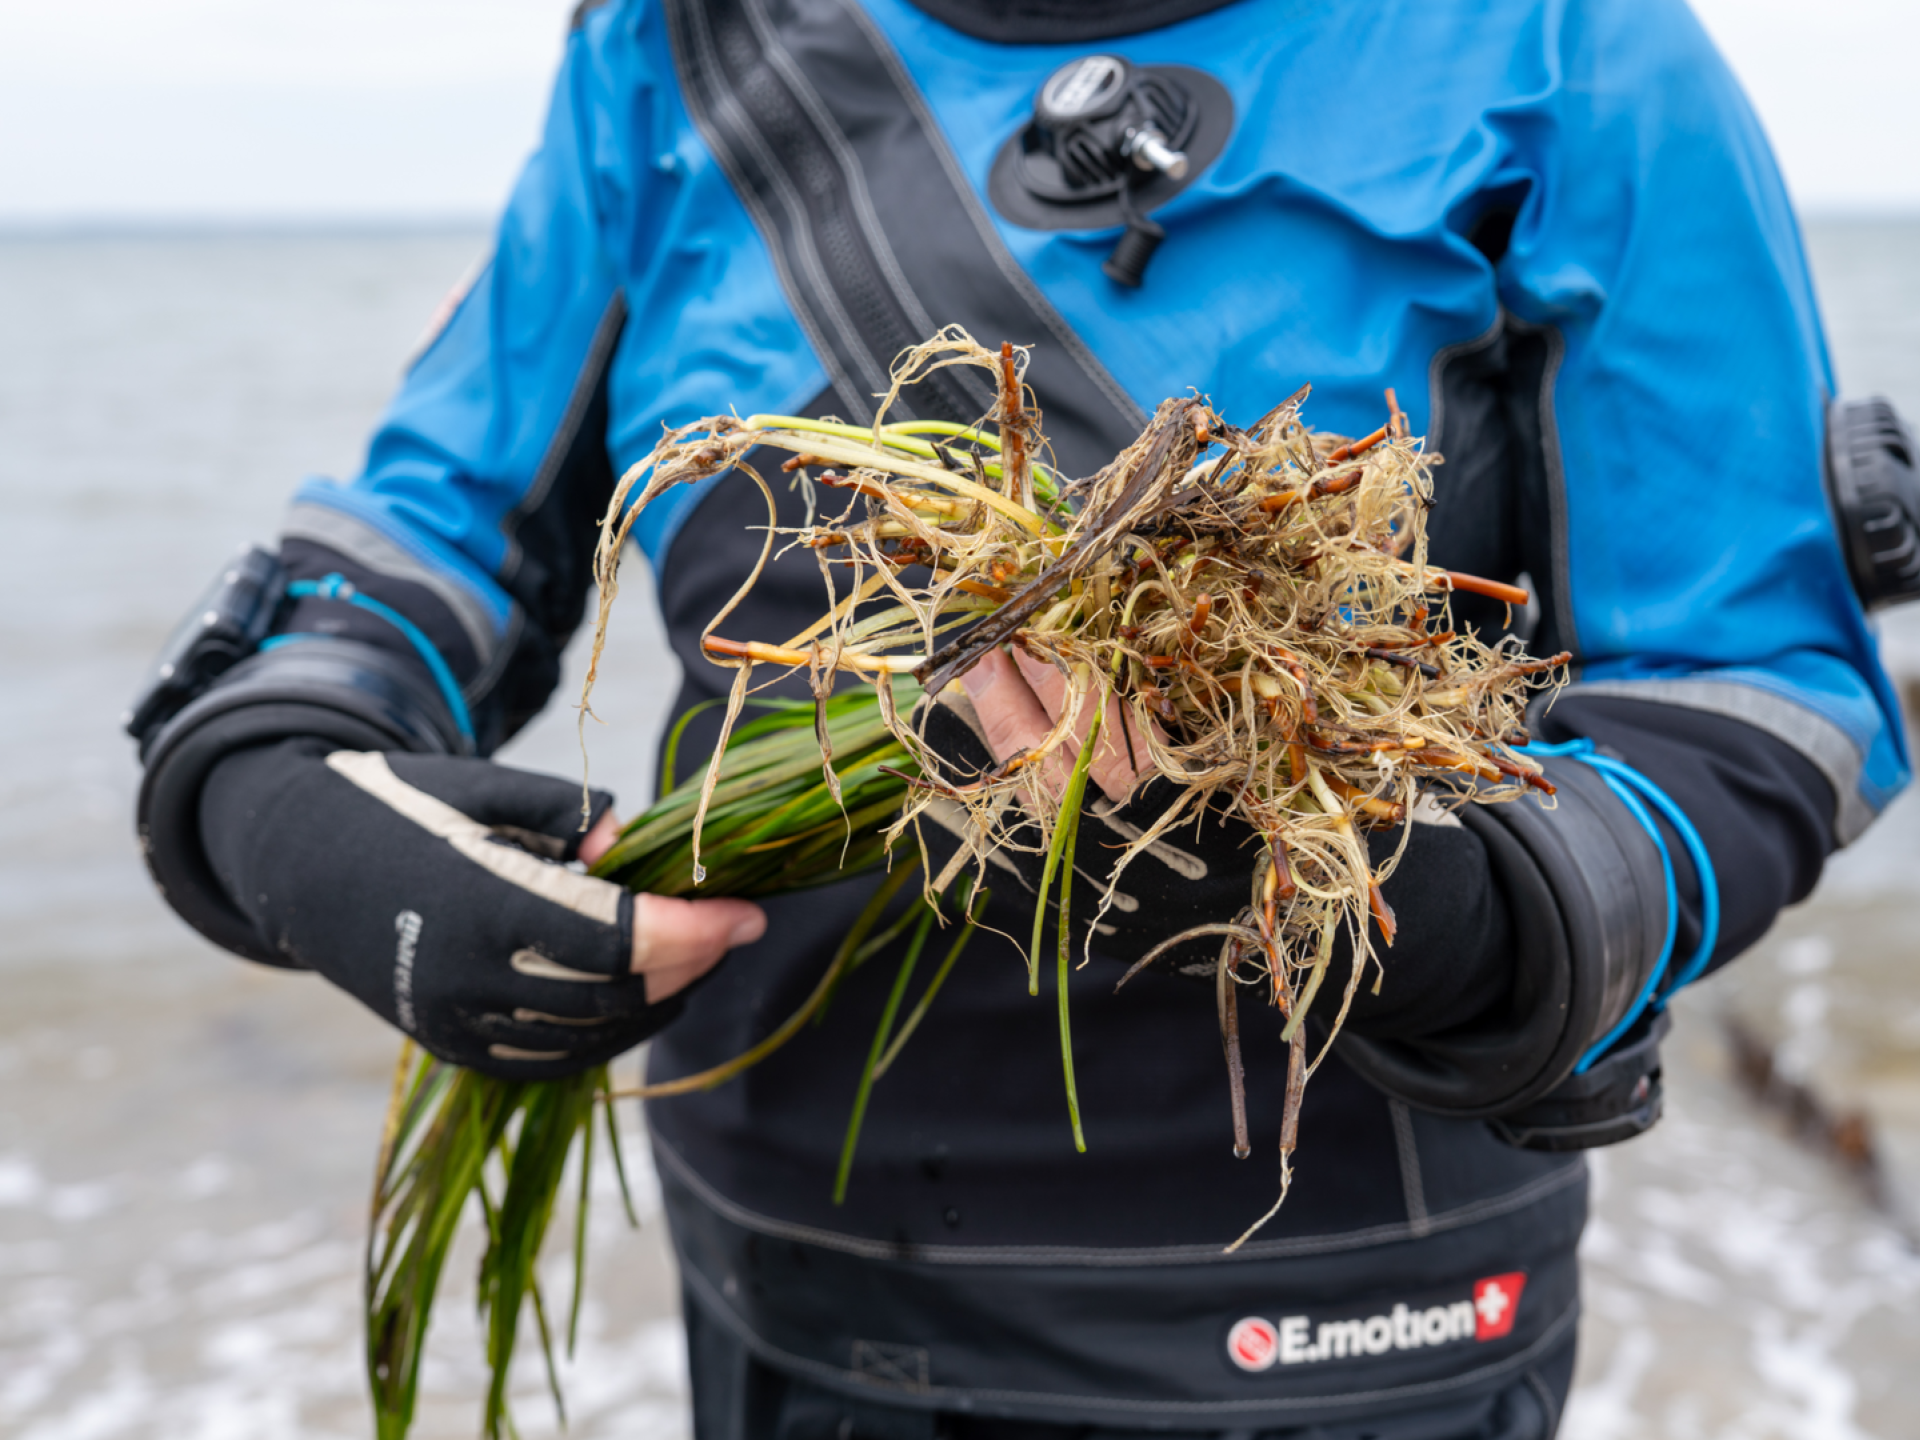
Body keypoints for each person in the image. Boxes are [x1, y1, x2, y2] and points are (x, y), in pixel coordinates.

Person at [130, 0, 1912, 1435]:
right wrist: (277, 791)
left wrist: (1436, 901)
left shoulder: (1569, 47)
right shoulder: (673, 49)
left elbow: (1754, 691)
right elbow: (430, 532)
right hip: (794, 1284)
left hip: (1353, 1319)